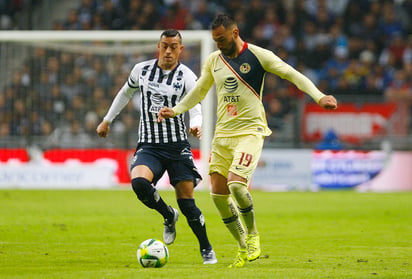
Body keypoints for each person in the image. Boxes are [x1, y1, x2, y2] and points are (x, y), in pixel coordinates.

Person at [158, 14, 338, 268]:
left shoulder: (258, 55)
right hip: (222, 135)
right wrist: (175, 110)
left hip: (250, 132)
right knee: (218, 195)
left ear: (235, 32)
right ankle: (243, 247)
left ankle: (253, 235)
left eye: (221, 39)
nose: (218, 44)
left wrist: (319, 97)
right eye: (214, 40)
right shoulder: (214, 60)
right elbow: (198, 91)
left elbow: (292, 74)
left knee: (237, 186)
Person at [96, 29, 217, 265]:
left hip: (177, 147)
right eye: (165, 46)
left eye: (174, 46)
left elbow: (196, 105)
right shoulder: (141, 70)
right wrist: (107, 120)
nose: (169, 51)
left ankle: (206, 247)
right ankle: (168, 215)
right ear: (158, 46)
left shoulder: (187, 76)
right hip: (149, 145)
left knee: (187, 202)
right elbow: (124, 93)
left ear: (181, 50)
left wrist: (196, 123)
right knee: (139, 183)